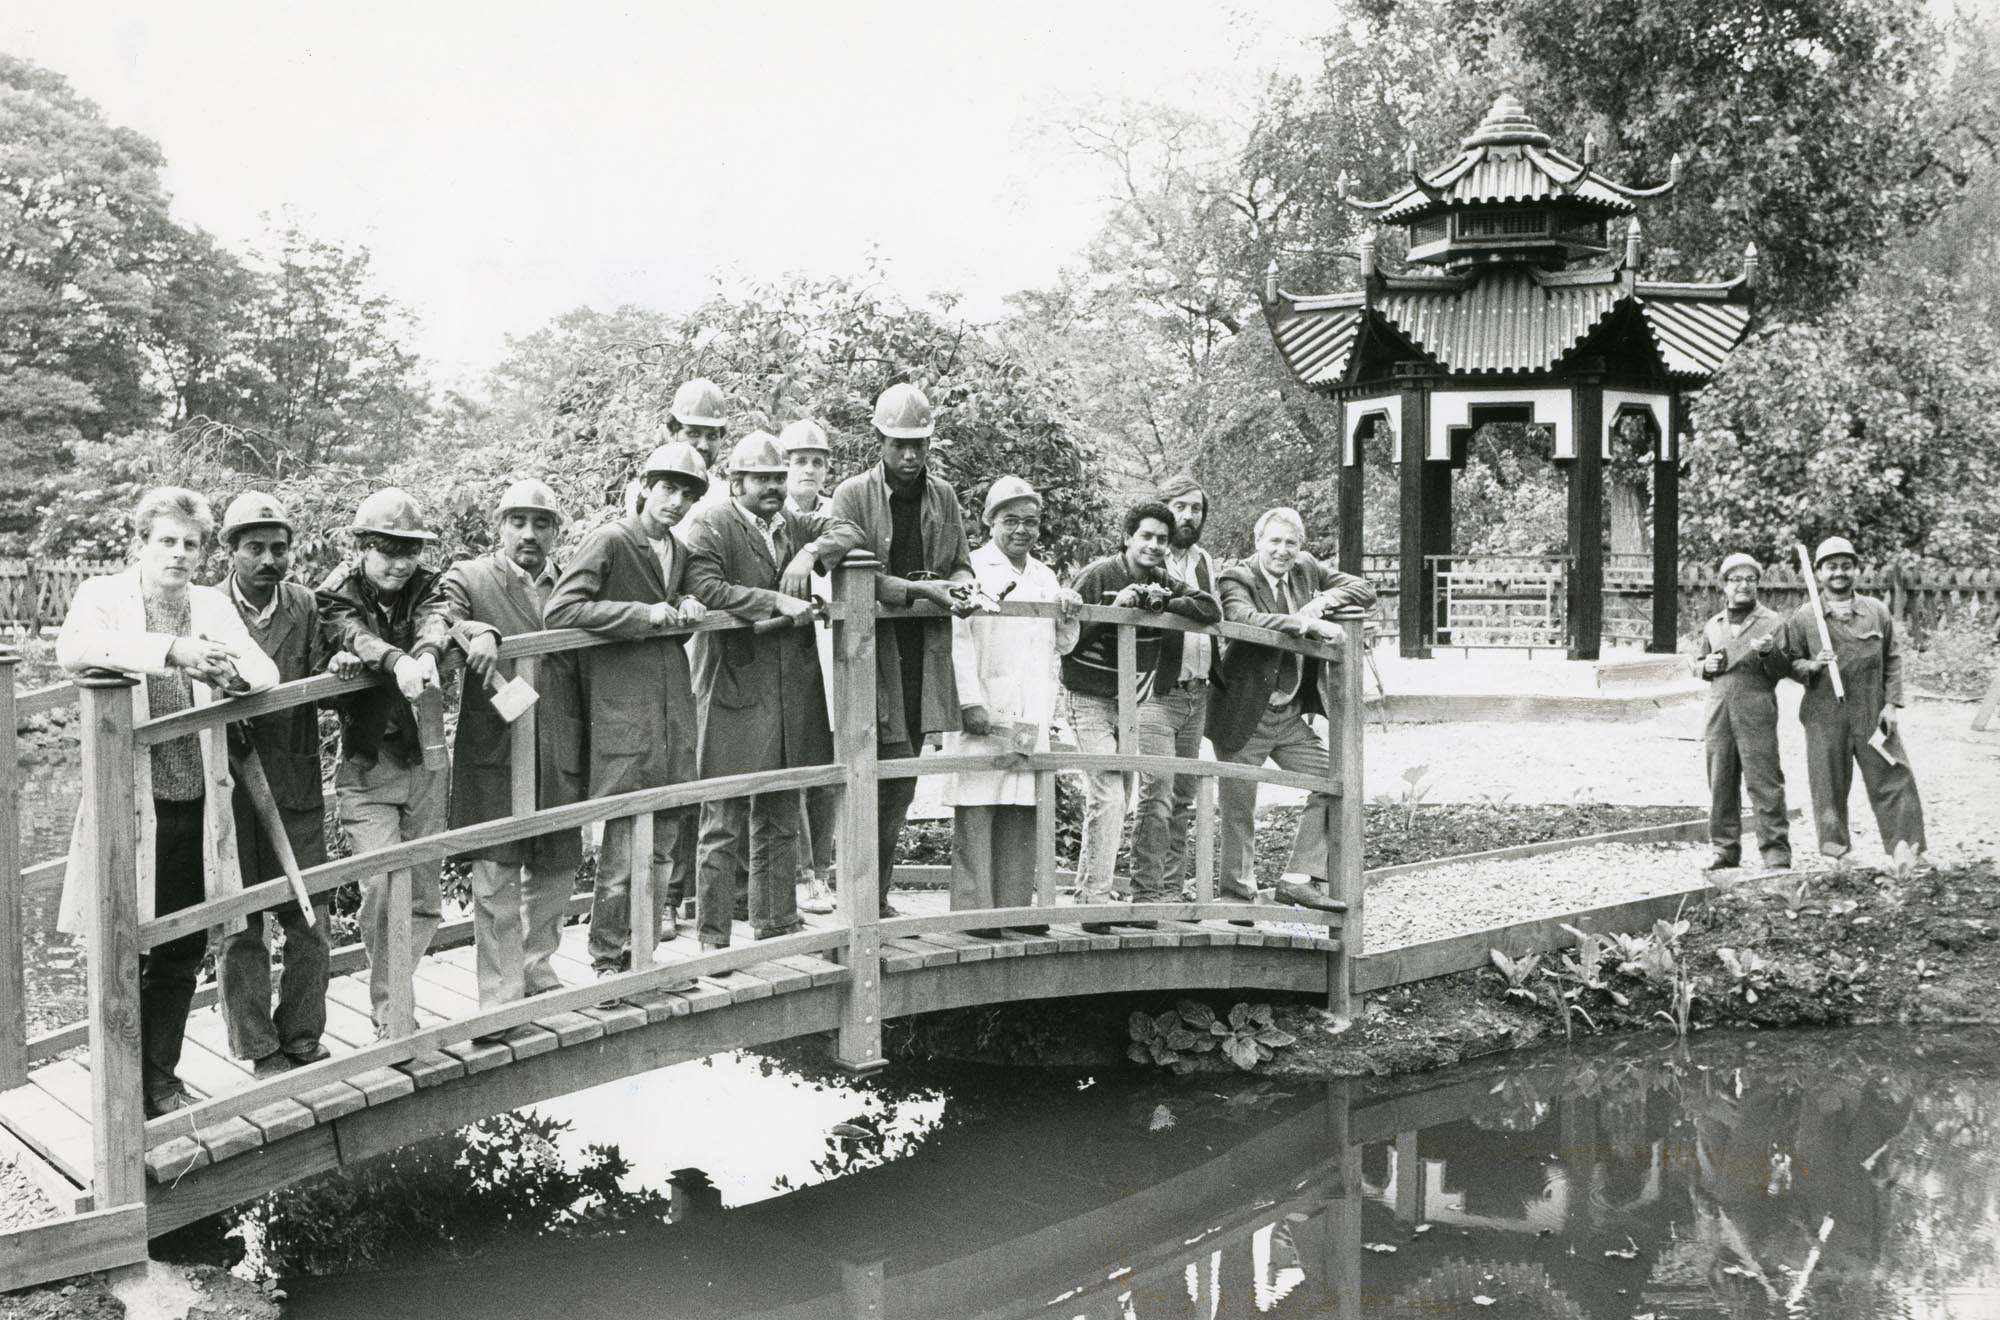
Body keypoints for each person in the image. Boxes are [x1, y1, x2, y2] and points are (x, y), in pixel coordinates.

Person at [57, 487, 279, 1117]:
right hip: (125, 804)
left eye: (190, 544)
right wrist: (171, 653)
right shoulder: (103, 596)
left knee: (181, 947)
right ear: (141, 544)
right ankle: (117, 1082)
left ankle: (160, 1078)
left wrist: (231, 675)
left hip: (193, 800)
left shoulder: (209, 604)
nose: (179, 555)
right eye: (167, 542)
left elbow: (266, 673)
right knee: (119, 943)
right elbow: (74, 651)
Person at [681, 432, 856, 949]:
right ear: (736, 481)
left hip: (791, 690)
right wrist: (775, 600)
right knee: (723, 820)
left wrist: (809, 553)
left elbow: (849, 528)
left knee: (781, 812)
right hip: (733, 683)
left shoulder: (795, 523)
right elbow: (705, 587)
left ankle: (776, 923)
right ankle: (712, 937)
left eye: (779, 478)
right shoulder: (712, 522)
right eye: (762, 478)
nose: (774, 487)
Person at [545, 441, 710, 976]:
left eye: (686, 494)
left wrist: (688, 603)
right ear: (644, 487)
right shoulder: (612, 539)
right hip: (622, 719)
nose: (675, 502)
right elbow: (563, 608)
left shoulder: (679, 552)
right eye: (667, 488)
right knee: (619, 858)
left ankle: (644, 957)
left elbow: (682, 601)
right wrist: (643, 614)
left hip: (670, 720)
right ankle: (607, 959)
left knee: (661, 851)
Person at [817, 382, 981, 919]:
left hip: (923, 655)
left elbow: (960, 560)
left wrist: (960, 586)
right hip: (871, 656)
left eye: (919, 445)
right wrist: (917, 590)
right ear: (879, 440)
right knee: (867, 777)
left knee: (901, 782)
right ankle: (857, 899)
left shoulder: (945, 496)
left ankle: (876, 897)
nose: (909, 456)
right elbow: (855, 576)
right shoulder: (851, 495)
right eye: (898, 444)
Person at [436, 479, 585, 1008]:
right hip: (496, 745)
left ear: (555, 531)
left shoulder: (572, 583)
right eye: (518, 522)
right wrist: (474, 629)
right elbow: (438, 613)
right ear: (499, 527)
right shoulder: (470, 577)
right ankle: (501, 993)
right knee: (495, 872)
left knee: (558, 864)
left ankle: (536, 967)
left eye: (541, 523)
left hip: (560, 741)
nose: (529, 534)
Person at [318, 487, 452, 1035]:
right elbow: (349, 630)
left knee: (422, 891)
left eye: (409, 550)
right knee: (382, 883)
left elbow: (438, 619)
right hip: (368, 768)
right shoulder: (337, 591)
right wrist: (391, 660)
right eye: (387, 549)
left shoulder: (428, 584)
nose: (400, 562)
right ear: (363, 547)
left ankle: (397, 997)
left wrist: (425, 654)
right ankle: (391, 1006)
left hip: (425, 761)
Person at [213, 492, 333, 1077]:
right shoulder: (204, 609)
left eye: (279, 549)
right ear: (229, 549)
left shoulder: (306, 605)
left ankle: (304, 1035)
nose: (268, 559)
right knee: (242, 924)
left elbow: (328, 664)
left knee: (311, 916)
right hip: (228, 785)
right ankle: (258, 1046)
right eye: (254, 547)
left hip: (296, 779)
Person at [1207, 507, 1375, 911]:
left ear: (1301, 546)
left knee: (1334, 780)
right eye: (1274, 542)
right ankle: (1236, 902)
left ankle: (1298, 878)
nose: (1282, 551)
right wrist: (1304, 624)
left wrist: (1325, 601)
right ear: (1258, 541)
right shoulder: (1237, 577)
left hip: (1287, 714)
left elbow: (1363, 588)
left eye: (1291, 543)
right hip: (1244, 711)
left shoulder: (1305, 568)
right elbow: (1243, 617)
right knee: (1239, 809)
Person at [1061, 501, 1221, 926]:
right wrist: (1118, 611)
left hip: (1132, 701)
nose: (1153, 545)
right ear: (1128, 537)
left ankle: (1098, 891)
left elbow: (1209, 609)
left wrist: (1167, 602)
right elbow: (1066, 640)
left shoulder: (1162, 579)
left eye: (1162, 540)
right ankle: (1092, 901)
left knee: (1125, 796)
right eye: (1146, 536)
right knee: (1109, 795)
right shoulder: (1099, 574)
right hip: (1089, 696)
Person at [945, 476, 1081, 936]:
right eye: (1010, 521)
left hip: (1030, 707)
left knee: (1022, 804)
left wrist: (1068, 612)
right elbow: (956, 640)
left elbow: (1059, 645)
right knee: (979, 803)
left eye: (1030, 522)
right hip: (985, 701)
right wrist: (968, 700)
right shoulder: (972, 569)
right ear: (989, 523)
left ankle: (1017, 909)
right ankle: (976, 913)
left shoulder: (1044, 576)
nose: (1021, 530)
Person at [1778, 537, 1927, 862]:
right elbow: (1787, 663)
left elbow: (1893, 658)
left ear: (1856, 570)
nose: (1839, 573)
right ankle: (1836, 854)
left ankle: (1908, 850)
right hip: (1824, 713)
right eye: (1831, 567)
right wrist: (1814, 665)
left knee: (1895, 776)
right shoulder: (1805, 618)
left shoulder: (1876, 611)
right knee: (1828, 784)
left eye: (1846, 566)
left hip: (1873, 712)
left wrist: (1891, 705)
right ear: (1818, 573)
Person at [1130, 473, 1220, 901]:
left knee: (1183, 795)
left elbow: (1212, 611)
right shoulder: (1149, 556)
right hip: (1156, 691)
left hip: (1196, 692)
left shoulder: (1204, 562)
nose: (1188, 515)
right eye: (1180, 507)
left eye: (1196, 508)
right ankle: (1146, 893)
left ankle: (1171, 890)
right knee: (1157, 792)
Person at [1692, 552, 1792, 871]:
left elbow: (1782, 669)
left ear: (1758, 584)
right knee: (1720, 779)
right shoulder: (1713, 624)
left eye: (1750, 579)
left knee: (1764, 780)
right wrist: (1704, 666)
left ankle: (1775, 852)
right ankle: (1724, 849)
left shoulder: (1772, 622)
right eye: (1736, 579)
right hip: (1719, 708)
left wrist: (1769, 653)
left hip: (1756, 705)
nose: (1743, 585)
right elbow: (1700, 663)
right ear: (1724, 586)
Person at [781, 417, 839, 916]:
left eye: (817, 462)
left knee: (827, 762)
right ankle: (800, 873)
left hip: (830, 648)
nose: (808, 470)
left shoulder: (832, 512)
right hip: (785, 650)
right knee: (792, 761)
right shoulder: (767, 510)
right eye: (799, 461)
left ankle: (822, 869)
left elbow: (851, 534)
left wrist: (809, 551)